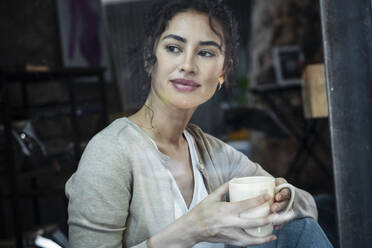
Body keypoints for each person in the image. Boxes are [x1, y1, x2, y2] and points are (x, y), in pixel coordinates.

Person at [65, 0, 332, 247]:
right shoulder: (110, 152)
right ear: (151, 59)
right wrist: (192, 228)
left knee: (305, 224)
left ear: (223, 73)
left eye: (205, 52)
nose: (188, 64)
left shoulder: (212, 153)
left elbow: (306, 206)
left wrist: (282, 200)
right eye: (173, 48)